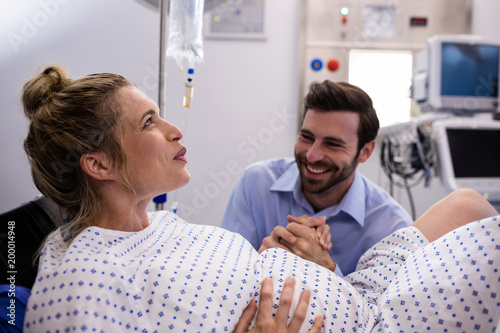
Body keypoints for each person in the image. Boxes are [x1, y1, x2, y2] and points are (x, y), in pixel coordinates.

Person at [22, 65, 500, 333]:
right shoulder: (83, 275)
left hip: (357, 291)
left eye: (333, 145)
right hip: (368, 324)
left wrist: (317, 268)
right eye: (149, 122)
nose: (174, 130)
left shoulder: (158, 223)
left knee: (469, 205)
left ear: (365, 153)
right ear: (99, 165)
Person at [221, 80, 412, 275]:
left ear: (365, 151)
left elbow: (376, 305)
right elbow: (226, 275)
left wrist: (326, 268)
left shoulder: (392, 227)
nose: (312, 155)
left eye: (332, 144)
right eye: (306, 137)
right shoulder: (256, 183)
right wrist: (262, 261)